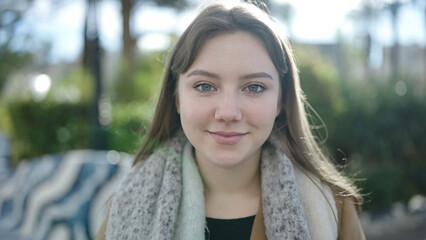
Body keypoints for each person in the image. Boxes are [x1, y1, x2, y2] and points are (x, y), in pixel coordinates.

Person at [96, 1, 365, 239]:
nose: (228, 112)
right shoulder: (126, 204)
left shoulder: (335, 210)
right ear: (176, 97)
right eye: (204, 86)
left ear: (281, 102)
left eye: (254, 87)